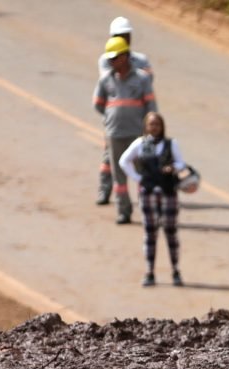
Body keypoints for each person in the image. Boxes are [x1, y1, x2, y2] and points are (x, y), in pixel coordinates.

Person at [93, 36, 157, 225]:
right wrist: (112, 117)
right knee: (119, 176)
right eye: (110, 59)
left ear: (126, 56)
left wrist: (151, 131)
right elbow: (98, 104)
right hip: (115, 133)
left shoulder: (142, 79)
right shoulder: (106, 79)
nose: (113, 62)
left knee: (142, 174)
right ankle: (124, 211)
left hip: (138, 135)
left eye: (116, 58)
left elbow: (151, 106)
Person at [119, 112, 187, 287]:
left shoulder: (171, 144)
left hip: (168, 192)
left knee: (170, 232)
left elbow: (181, 164)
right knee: (150, 233)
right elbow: (123, 161)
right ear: (146, 126)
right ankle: (150, 272)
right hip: (148, 192)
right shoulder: (140, 144)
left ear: (162, 126)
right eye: (151, 124)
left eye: (157, 124)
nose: (154, 127)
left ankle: (175, 270)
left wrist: (172, 167)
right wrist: (138, 178)